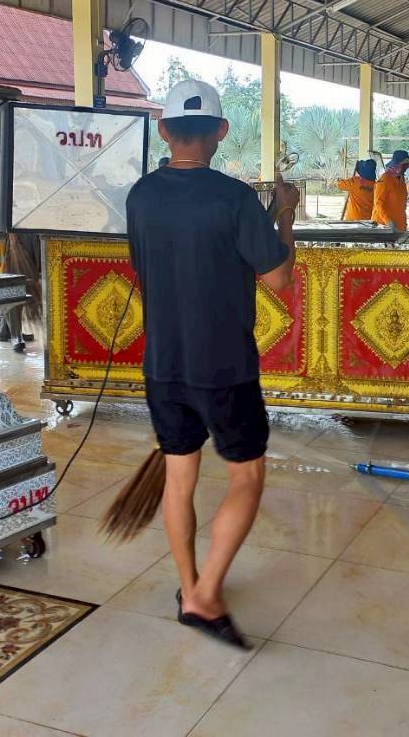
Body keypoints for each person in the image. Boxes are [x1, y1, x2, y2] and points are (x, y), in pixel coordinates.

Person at [125, 79, 299, 649]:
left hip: (163, 363)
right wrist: (286, 216)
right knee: (246, 475)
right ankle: (205, 596)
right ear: (221, 131)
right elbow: (277, 277)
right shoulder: (234, 198)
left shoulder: (141, 196)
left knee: (179, 478)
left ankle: (189, 587)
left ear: (163, 130)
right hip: (225, 366)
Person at [371, 149, 409, 231]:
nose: (405, 169)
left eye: (406, 166)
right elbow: (378, 204)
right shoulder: (385, 180)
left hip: (398, 226)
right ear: (397, 165)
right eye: (404, 166)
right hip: (382, 226)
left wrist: (403, 224)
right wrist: (388, 221)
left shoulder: (401, 180)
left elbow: (401, 205)